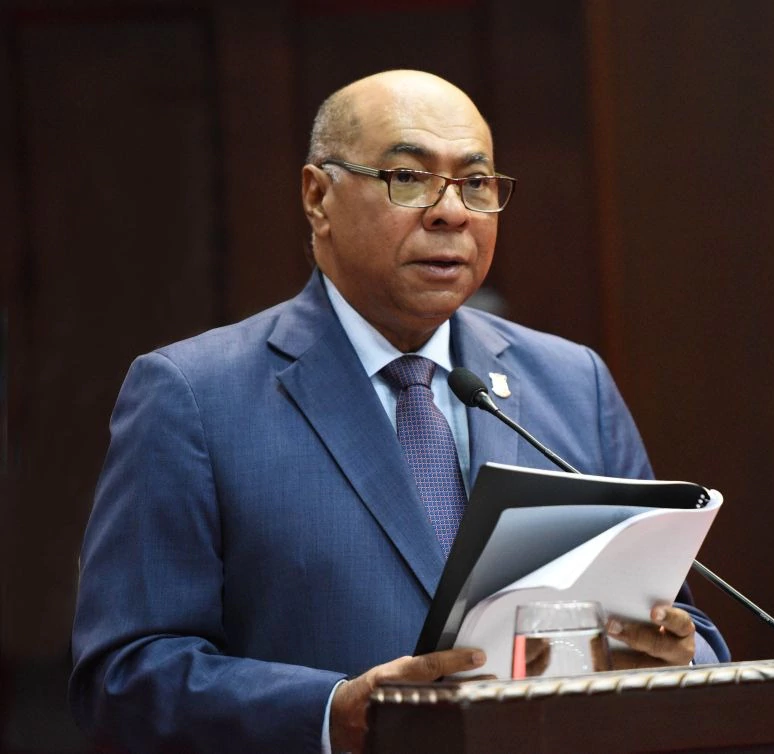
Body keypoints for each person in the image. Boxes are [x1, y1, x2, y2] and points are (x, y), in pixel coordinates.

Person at [69, 69, 729, 753]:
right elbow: (122, 677)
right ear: (317, 197)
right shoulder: (194, 395)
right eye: (409, 178)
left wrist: (676, 657)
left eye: (476, 183)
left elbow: (682, 627)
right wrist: (332, 713)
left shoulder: (572, 382)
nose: (451, 213)